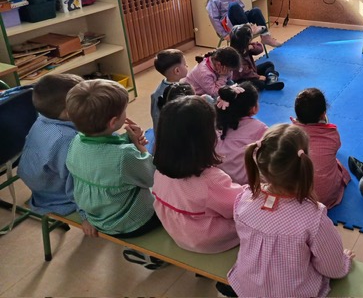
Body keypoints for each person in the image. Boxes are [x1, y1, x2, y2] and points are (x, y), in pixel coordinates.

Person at [228, 124, 354, 297]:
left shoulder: (245, 198)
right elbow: (332, 267)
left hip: (247, 288)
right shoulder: (313, 217)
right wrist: (344, 261)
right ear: (304, 162)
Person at [65, 79, 158, 238]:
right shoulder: (124, 156)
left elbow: (106, 152)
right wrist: (140, 147)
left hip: (98, 216)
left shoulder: (76, 141)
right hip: (130, 224)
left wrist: (130, 140)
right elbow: (153, 177)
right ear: (113, 122)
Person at [152, 96, 244, 253]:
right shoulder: (211, 180)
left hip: (177, 231)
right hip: (206, 240)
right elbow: (238, 206)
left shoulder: (160, 169)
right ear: (204, 138)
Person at [17, 74, 97, 235]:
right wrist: (86, 215)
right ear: (68, 112)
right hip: (57, 197)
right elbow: (76, 180)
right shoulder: (65, 140)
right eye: (84, 101)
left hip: (42, 185)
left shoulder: (44, 118)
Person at [291, 88, 351, 208]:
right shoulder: (332, 134)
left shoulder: (288, 134)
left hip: (295, 200)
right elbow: (335, 149)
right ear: (323, 114)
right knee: (335, 163)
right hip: (325, 198)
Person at [215, 82, 268, 185]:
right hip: (245, 183)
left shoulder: (216, 123)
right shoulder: (259, 128)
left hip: (219, 179)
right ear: (253, 108)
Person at [229, 24, 284, 91]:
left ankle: (271, 78)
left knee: (269, 64)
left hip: (251, 71)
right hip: (241, 78)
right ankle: (270, 76)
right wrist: (258, 77)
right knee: (260, 84)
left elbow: (260, 49)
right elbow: (244, 72)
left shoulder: (246, 46)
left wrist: (252, 47)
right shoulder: (235, 55)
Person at [150, 49, 188, 133]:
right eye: (185, 65)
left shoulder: (160, 90)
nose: (187, 66)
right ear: (177, 71)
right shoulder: (165, 95)